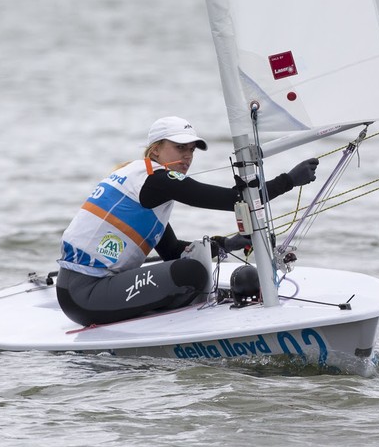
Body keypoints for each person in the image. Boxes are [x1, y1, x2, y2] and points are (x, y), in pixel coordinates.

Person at [55, 115, 319, 327]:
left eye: (191, 150)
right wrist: (288, 181)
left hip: (80, 291)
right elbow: (234, 200)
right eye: (180, 147)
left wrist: (229, 243)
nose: (188, 156)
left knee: (187, 268)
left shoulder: (141, 183)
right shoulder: (155, 180)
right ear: (156, 150)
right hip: (85, 296)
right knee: (190, 274)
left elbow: (172, 251)